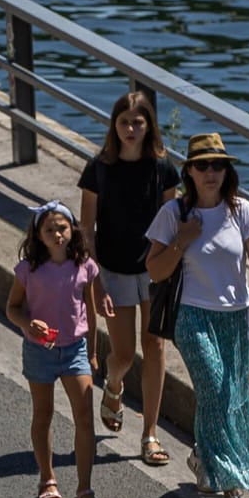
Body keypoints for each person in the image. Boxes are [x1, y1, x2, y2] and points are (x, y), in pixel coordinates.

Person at [144, 132, 249, 498]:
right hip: (192, 316)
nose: (210, 172)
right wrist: (181, 243)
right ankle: (234, 491)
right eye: (202, 165)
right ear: (188, 171)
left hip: (236, 317)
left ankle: (204, 457)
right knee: (218, 388)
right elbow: (153, 270)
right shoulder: (174, 214)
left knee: (232, 396)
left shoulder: (242, 212)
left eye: (218, 165)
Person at [78, 90, 179, 466]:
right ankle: (115, 384)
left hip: (154, 269)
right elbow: (86, 230)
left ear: (149, 125)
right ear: (114, 126)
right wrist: (96, 280)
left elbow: (172, 219)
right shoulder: (99, 168)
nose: (131, 129)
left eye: (138, 122)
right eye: (124, 122)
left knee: (154, 345)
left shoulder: (163, 167)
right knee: (122, 354)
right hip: (115, 269)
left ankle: (150, 434)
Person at [6, 201, 110, 498]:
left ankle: (84, 490)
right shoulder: (28, 270)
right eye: (49, 230)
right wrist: (28, 323)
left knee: (84, 418)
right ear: (38, 235)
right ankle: (47, 479)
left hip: (75, 348)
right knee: (44, 413)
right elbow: (13, 308)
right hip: (40, 351)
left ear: (72, 230)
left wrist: (93, 351)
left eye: (62, 228)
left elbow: (89, 311)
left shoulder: (84, 266)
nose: (57, 234)